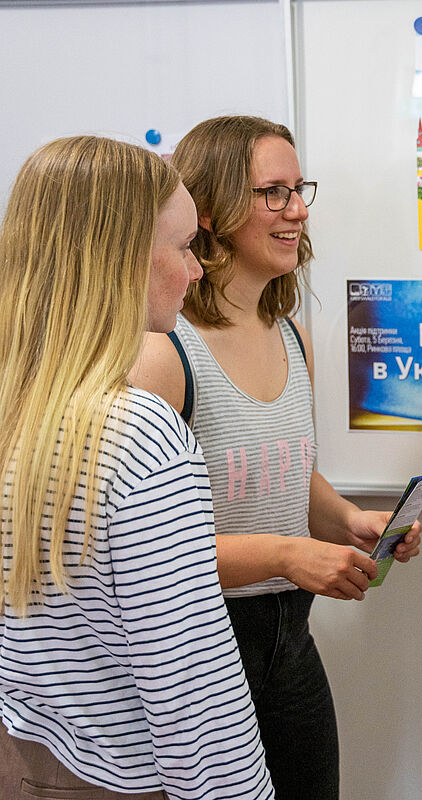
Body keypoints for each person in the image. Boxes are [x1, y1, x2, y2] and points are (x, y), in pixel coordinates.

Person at [129, 116, 420, 800]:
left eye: (298, 189)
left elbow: (280, 467)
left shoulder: (293, 335)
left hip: (291, 640)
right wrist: (289, 554)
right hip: (199, 644)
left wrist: (346, 521)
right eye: (273, 192)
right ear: (211, 211)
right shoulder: (162, 355)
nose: (298, 209)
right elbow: (148, 553)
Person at [0, 136, 273, 798]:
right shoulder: (139, 434)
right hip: (121, 777)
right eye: (183, 248)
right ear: (119, 261)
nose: (197, 271)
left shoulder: (19, 405)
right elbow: (189, 685)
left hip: (26, 753)